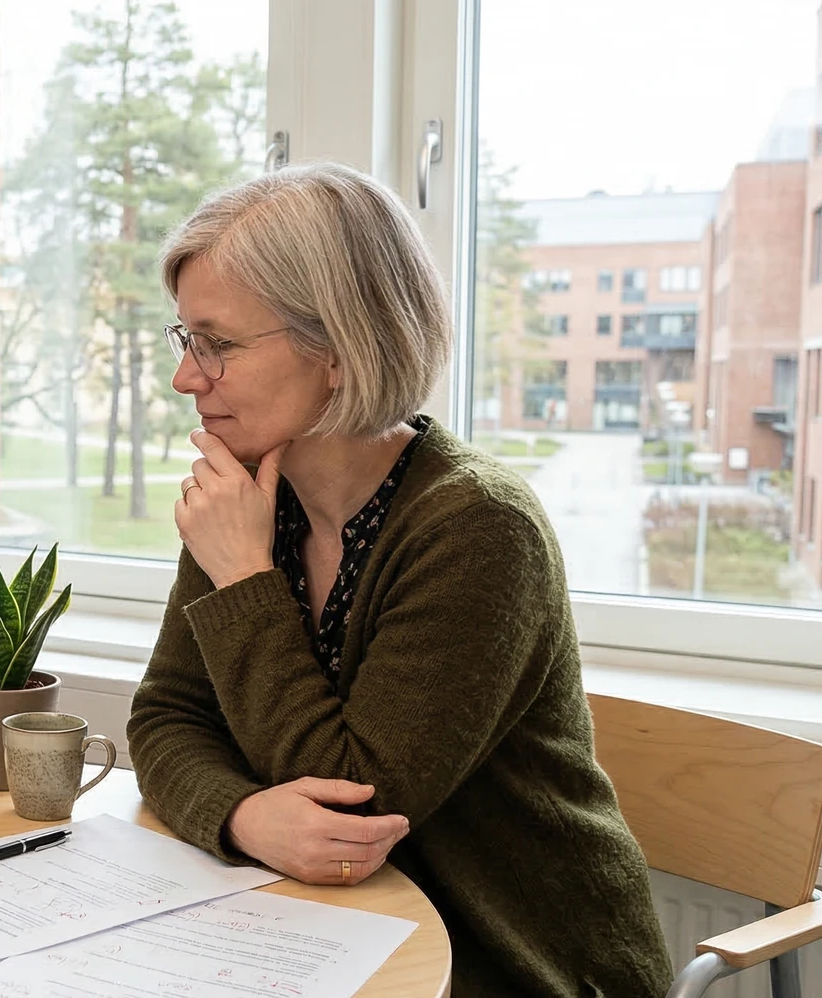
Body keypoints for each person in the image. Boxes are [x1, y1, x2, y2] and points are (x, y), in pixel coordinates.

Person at [126, 162, 672, 997]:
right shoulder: (249, 500)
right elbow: (167, 717)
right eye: (186, 339)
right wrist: (241, 816)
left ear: (339, 350)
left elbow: (352, 812)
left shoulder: (480, 529)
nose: (187, 378)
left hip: (515, 963)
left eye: (219, 345)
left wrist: (243, 580)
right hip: (324, 939)